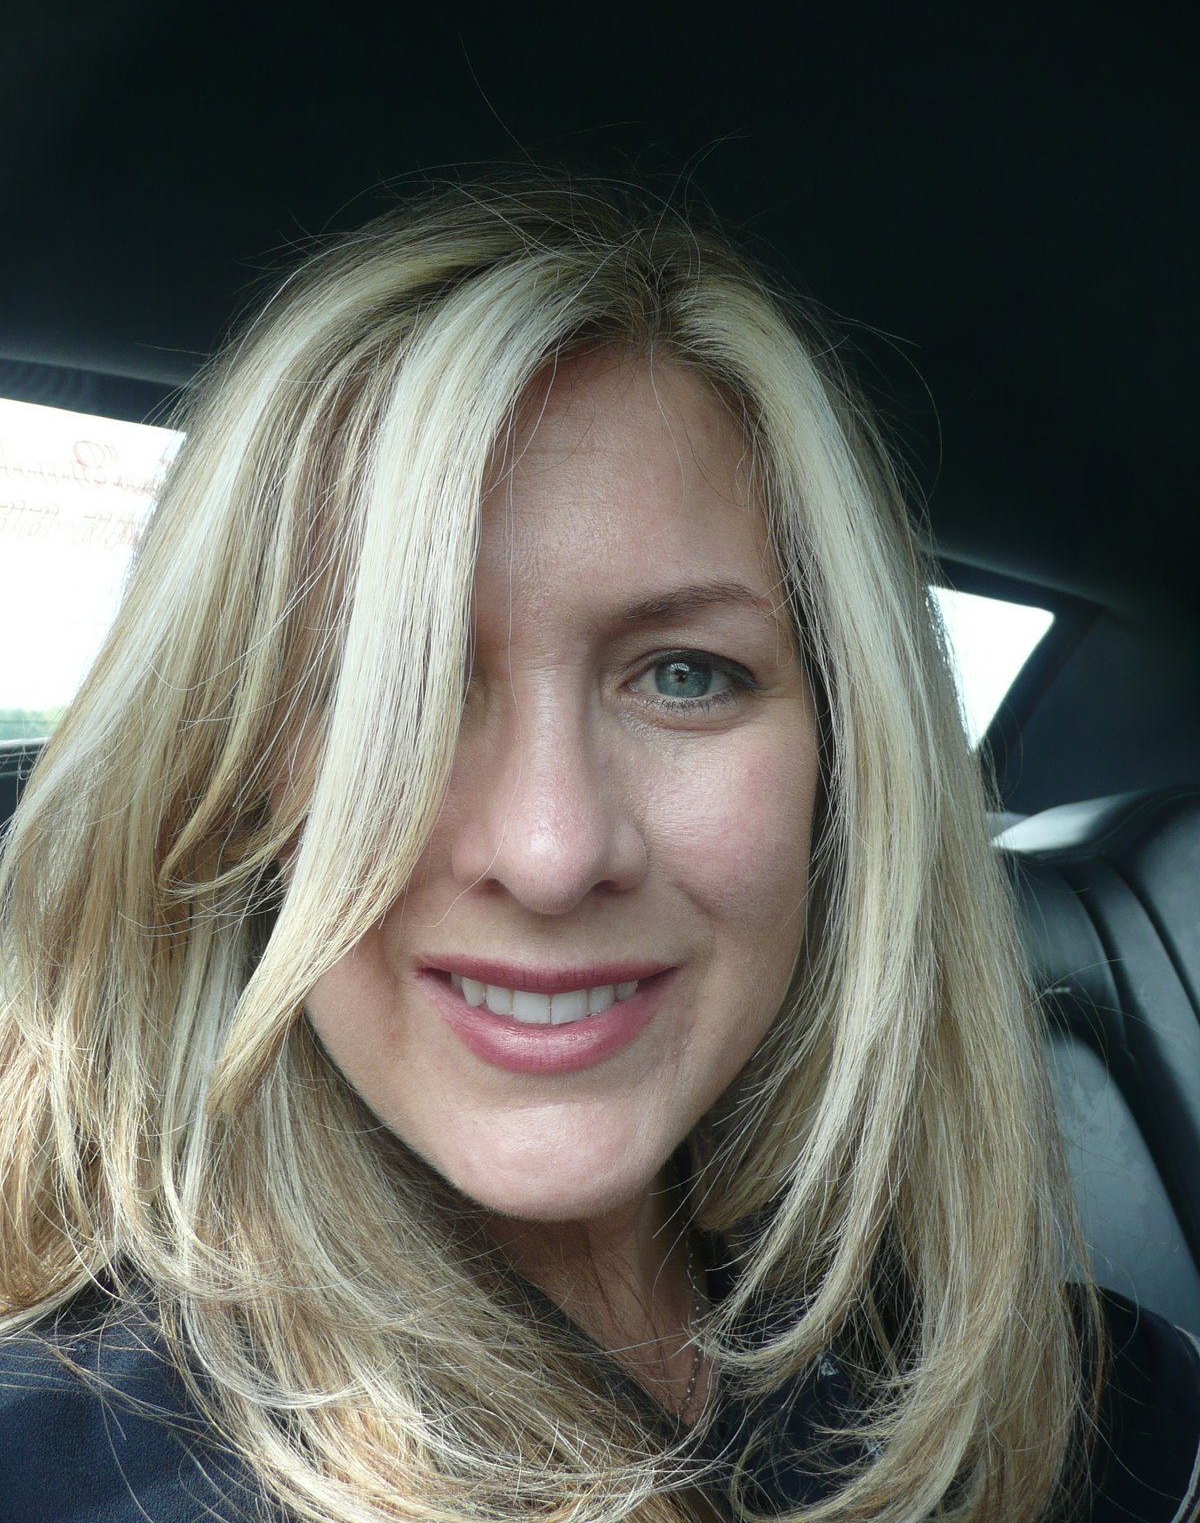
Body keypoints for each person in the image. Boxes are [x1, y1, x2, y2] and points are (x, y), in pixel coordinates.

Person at [0, 176, 1197, 1523]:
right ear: (227, 787)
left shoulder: (1078, 1396)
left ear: (845, 771)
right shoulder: (77, 1460)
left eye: (685, 675)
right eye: (395, 684)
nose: (551, 850)